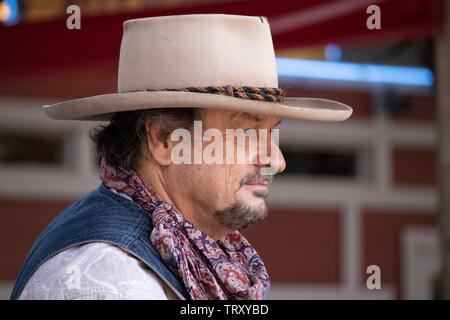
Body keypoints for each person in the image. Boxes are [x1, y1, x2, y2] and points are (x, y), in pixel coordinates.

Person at [10, 14, 352, 300]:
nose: (276, 161)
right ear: (164, 140)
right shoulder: (107, 279)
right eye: (247, 133)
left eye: (272, 132)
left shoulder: (176, 248)